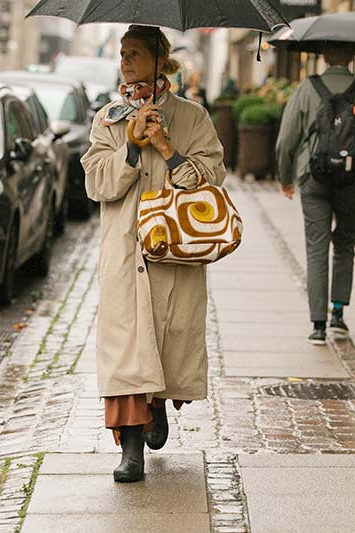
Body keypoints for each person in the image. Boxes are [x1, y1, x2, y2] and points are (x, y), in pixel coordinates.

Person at [81, 24, 226, 483]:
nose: (125, 61)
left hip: (174, 252)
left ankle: (157, 405)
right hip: (125, 254)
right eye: (123, 53)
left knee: (164, 340)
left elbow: (210, 181)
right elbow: (96, 184)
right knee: (126, 349)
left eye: (136, 53)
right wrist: (130, 147)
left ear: (160, 61)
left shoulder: (193, 117)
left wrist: (165, 147)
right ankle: (131, 449)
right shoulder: (108, 118)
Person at [276, 44, 355, 345]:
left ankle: (318, 325)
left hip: (314, 179)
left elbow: (287, 139)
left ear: (324, 57)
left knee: (316, 248)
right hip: (352, 180)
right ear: (351, 58)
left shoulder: (307, 88)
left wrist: (287, 178)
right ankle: (338, 314)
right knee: (346, 243)